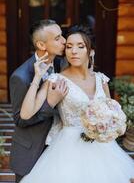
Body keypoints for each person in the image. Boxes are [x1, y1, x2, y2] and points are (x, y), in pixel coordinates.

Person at [20, 25, 134, 183]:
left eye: (80, 46)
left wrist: (109, 126)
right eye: (69, 46)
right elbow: (25, 114)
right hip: (67, 150)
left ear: (91, 51)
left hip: (103, 149)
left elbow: (112, 113)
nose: (73, 51)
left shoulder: (102, 79)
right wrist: (38, 77)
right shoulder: (56, 80)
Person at [9, 19, 68, 183]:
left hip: (61, 149)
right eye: (57, 38)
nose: (64, 41)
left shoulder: (63, 64)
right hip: (32, 152)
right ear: (41, 45)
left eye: (62, 36)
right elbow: (20, 119)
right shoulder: (20, 77)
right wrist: (50, 104)